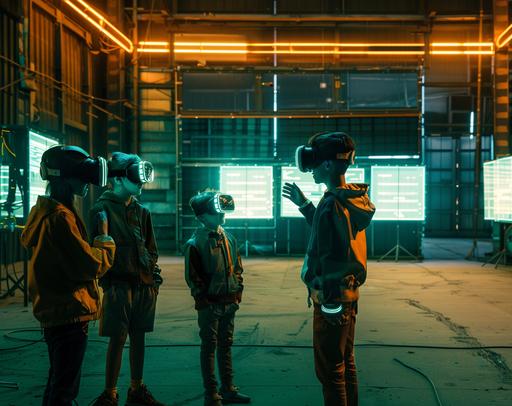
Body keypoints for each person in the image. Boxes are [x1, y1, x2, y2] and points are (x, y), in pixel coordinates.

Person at [282, 132, 375, 406]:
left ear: (327, 165)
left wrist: (330, 305)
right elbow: (331, 237)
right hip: (349, 296)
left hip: (332, 299)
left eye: (315, 162)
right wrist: (304, 205)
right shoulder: (349, 200)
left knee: (330, 370)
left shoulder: (331, 204)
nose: (310, 169)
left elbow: (332, 256)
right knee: (345, 363)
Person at [20, 145, 116, 406]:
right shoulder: (61, 218)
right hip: (69, 312)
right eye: (82, 177)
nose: (86, 184)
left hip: (54, 311)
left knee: (57, 382)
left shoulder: (42, 212)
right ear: (67, 178)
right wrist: (104, 238)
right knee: (65, 389)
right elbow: (90, 265)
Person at [90, 152, 163, 406]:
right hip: (117, 285)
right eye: (135, 177)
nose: (141, 183)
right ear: (118, 179)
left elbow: (151, 248)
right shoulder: (102, 209)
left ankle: (136, 388)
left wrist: (151, 274)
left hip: (143, 285)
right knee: (118, 338)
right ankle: (110, 392)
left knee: (139, 336)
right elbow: (96, 248)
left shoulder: (142, 212)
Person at [184, 191, 251, 406]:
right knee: (209, 347)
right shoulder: (195, 244)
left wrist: (237, 291)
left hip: (229, 301)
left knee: (226, 345)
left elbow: (237, 267)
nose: (222, 216)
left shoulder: (229, 237)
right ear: (202, 217)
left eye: (222, 212)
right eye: (216, 213)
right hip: (210, 305)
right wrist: (203, 300)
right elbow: (193, 277)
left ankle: (228, 388)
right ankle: (211, 393)